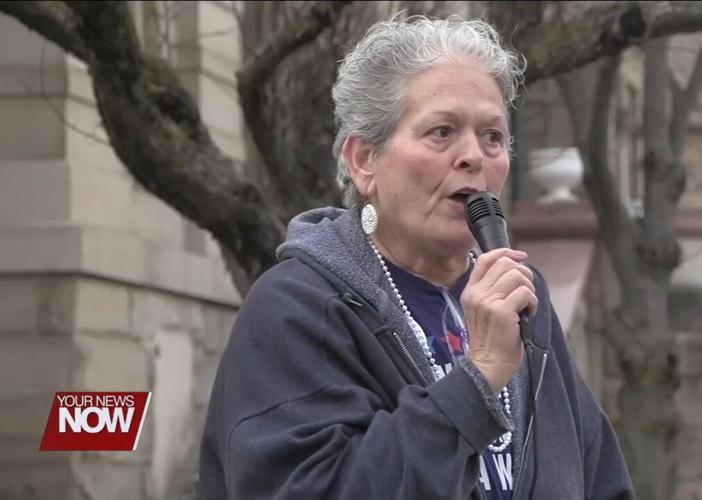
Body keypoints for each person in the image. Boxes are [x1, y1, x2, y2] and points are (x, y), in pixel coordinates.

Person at [198, 15, 634, 500]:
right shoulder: (297, 307)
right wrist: (480, 376)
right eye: (442, 132)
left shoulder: (521, 295)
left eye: (492, 136)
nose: (474, 156)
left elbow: (598, 477)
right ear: (364, 161)